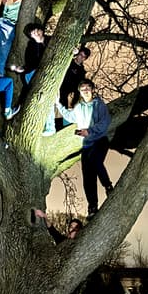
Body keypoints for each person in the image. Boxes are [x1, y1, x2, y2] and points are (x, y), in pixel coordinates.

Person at [55, 79, 113, 217]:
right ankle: (92, 207)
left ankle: (108, 186)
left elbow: (105, 122)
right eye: (82, 88)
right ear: (80, 91)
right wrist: (58, 103)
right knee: (88, 177)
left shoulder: (99, 105)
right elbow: (70, 117)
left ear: (92, 90)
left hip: (99, 140)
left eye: (88, 88)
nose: (85, 90)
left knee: (96, 161)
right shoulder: (79, 107)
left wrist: (89, 131)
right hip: (86, 144)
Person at [19, 22, 56, 136]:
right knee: (38, 97)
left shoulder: (52, 40)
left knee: (47, 96)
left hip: (49, 74)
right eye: (32, 34)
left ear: (41, 30)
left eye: (37, 31)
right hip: (33, 74)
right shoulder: (31, 45)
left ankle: (49, 126)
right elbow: (33, 63)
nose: (36, 34)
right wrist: (37, 44)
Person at [57, 46, 91, 129]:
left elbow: (79, 86)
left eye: (83, 57)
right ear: (77, 54)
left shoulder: (82, 72)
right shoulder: (69, 61)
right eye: (80, 55)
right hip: (58, 88)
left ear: (85, 59)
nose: (81, 57)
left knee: (62, 111)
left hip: (68, 94)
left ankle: (59, 128)